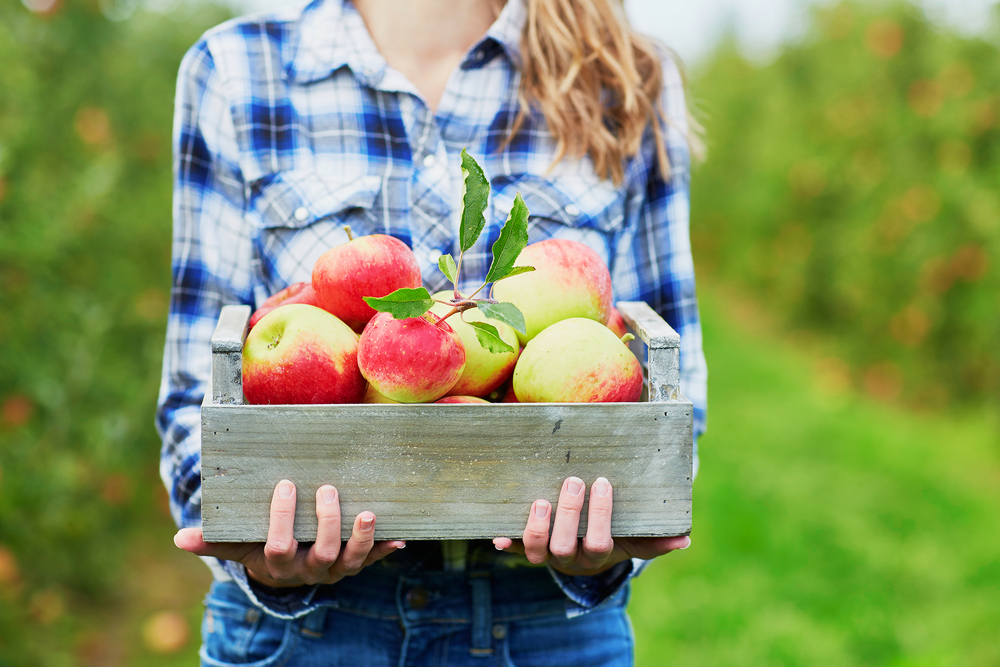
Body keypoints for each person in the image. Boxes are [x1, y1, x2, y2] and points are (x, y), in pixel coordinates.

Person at [157, 0, 708, 663]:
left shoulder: (621, 75)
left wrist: (614, 538)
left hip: (545, 623)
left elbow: (671, 384)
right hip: (304, 631)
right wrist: (250, 539)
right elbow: (195, 386)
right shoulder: (238, 71)